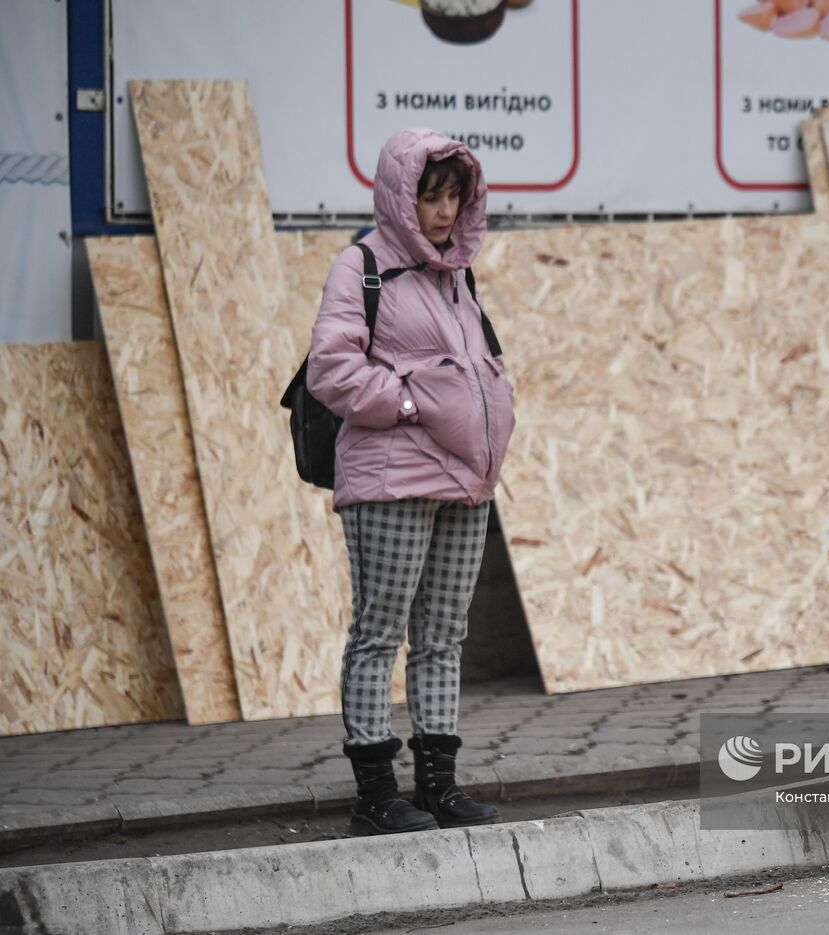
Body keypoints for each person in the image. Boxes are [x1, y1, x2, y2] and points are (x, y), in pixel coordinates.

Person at [308, 128, 515, 835]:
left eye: (454, 196)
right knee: (379, 632)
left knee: (442, 637)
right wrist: (408, 404)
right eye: (431, 196)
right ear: (402, 196)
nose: (445, 211)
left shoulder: (457, 273)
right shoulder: (361, 265)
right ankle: (376, 792)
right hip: (392, 480)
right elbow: (331, 369)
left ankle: (438, 786)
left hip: (465, 484)